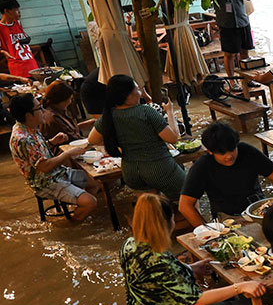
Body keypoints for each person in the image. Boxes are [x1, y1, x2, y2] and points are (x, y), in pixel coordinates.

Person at [121, 193, 265, 305]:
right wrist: (240, 287)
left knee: (229, 298)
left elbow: (156, 277)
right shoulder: (159, 260)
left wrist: (191, 268)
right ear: (168, 223)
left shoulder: (130, 244)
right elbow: (197, 300)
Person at [88, 74, 185, 201]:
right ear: (128, 95)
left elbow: (92, 140)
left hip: (131, 172)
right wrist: (170, 112)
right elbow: (173, 138)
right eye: (137, 89)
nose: (140, 93)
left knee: (151, 209)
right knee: (190, 200)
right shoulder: (146, 111)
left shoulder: (108, 116)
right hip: (159, 168)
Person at [8, 93, 99, 221]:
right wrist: (67, 154)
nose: (44, 111)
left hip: (57, 173)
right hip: (46, 182)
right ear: (29, 115)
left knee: (95, 184)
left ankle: (79, 209)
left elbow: (36, 152)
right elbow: (44, 167)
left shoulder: (28, 127)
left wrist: (52, 142)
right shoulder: (23, 138)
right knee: (91, 202)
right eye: (39, 108)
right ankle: (72, 227)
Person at [179, 121, 273, 227]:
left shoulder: (247, 151)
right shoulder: (202, 166)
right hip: (227, 217)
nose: (229, 156)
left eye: (232, 149)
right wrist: (206, 230)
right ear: (210, 151)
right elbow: (185, 205)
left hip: (257, 208)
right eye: (222, 153)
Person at [209, 0, 253, 78]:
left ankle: (247, 79)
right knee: (229, 54)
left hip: (242, 20)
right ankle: (232, 80)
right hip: (226, 23)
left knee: (245, 52)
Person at [40, 80, 85, 153]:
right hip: (63, 153)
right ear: (61, 100)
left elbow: (69, 129)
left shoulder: (53, 110)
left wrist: (85, 124)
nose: (70, 102)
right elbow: (74, 138)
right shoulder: (53, 117)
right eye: (69, 99)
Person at [0, 0, 39, 78]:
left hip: (32, 64)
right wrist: (3, 52)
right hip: (18, 69)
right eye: (16, 10)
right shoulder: (1, 28)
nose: (19, 12)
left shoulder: (17, 22)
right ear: (6, 11)